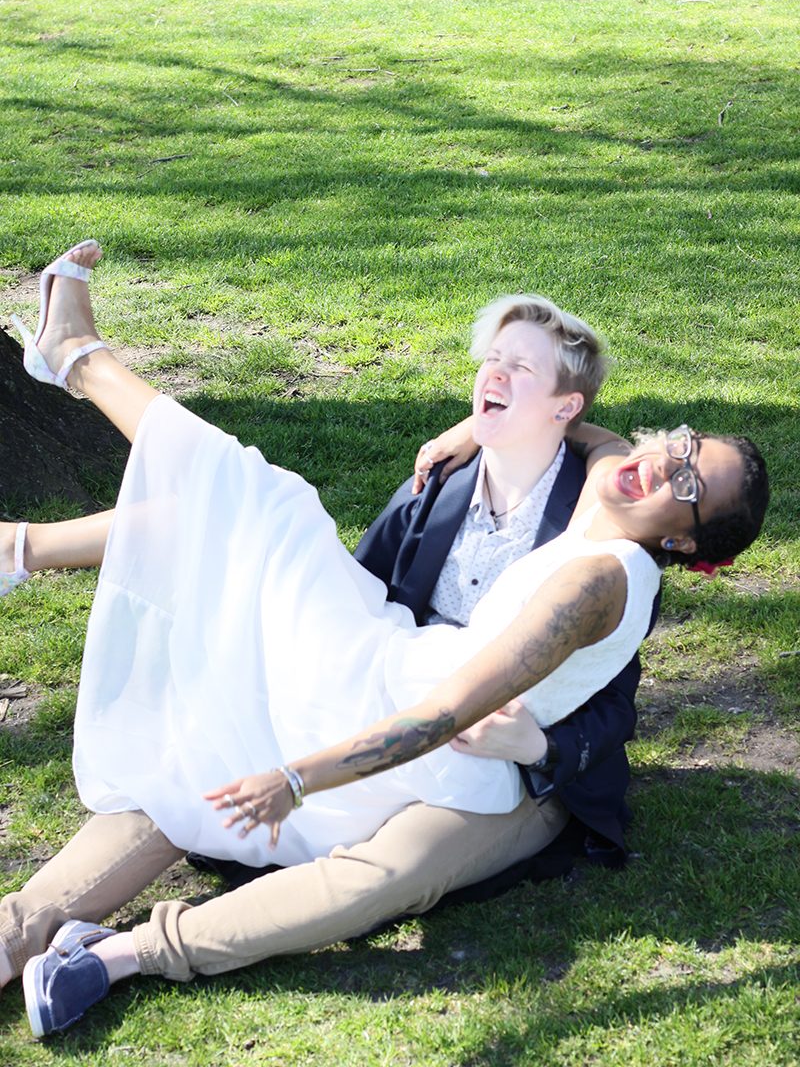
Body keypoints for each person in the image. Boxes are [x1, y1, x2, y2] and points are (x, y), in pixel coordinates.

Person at [0, 242, 768, 1038]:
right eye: (678, 445)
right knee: (244, 527)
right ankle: (18, 931)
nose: (660, 467)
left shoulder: (597, 579)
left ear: (686, 543)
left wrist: (297, 781)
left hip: (443, 731)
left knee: (258, 496)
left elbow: (445, 717)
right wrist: (475, 430)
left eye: (687, 484)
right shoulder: (603, 507)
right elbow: (606, 445)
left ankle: (78, 363)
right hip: (384, 666)